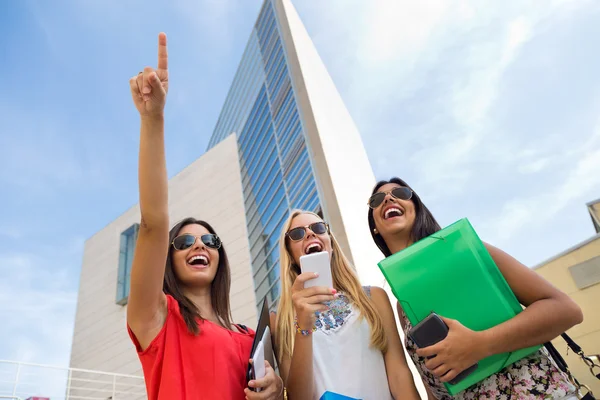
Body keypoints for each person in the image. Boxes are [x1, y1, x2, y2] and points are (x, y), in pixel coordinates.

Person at [126, 32, 283, 400]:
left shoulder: (252, 337)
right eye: (184, 242)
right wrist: (153, 120)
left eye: (209, 240)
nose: (199, 245)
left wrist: (277, 390)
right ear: (169, 258)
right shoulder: (158, 319)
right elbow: (152, 224)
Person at [367, 177, 584, 399]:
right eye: (377, 199)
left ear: (417, 209)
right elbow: (433, 384)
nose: (389, 199)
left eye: (401, 193)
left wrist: (482, 344)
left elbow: (567, 310)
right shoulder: (402, 306)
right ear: (374, 227)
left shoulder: (467, 251)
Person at [273, 209, 421, 400]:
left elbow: (399, 375)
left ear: (331, 244)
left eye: (318, 228)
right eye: (297, 234)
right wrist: (304, 325)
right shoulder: (282, 320)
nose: (310, 234)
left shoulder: (373, 297)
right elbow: (299, 397)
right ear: (291, 256)